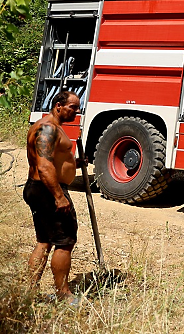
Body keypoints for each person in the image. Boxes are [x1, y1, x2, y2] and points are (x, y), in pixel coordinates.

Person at [25, 91, 82, 303]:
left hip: (40, 189)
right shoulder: (47, 128)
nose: (76, 112)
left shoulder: (50, 127)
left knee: (44, 241)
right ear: (58, 105)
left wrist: (77, 162)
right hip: (47, 190)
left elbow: (55, 158)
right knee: (65, 241)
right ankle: (63, 294)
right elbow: (44, 165)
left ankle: (29, 292)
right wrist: (59, 196)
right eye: (72, 107)